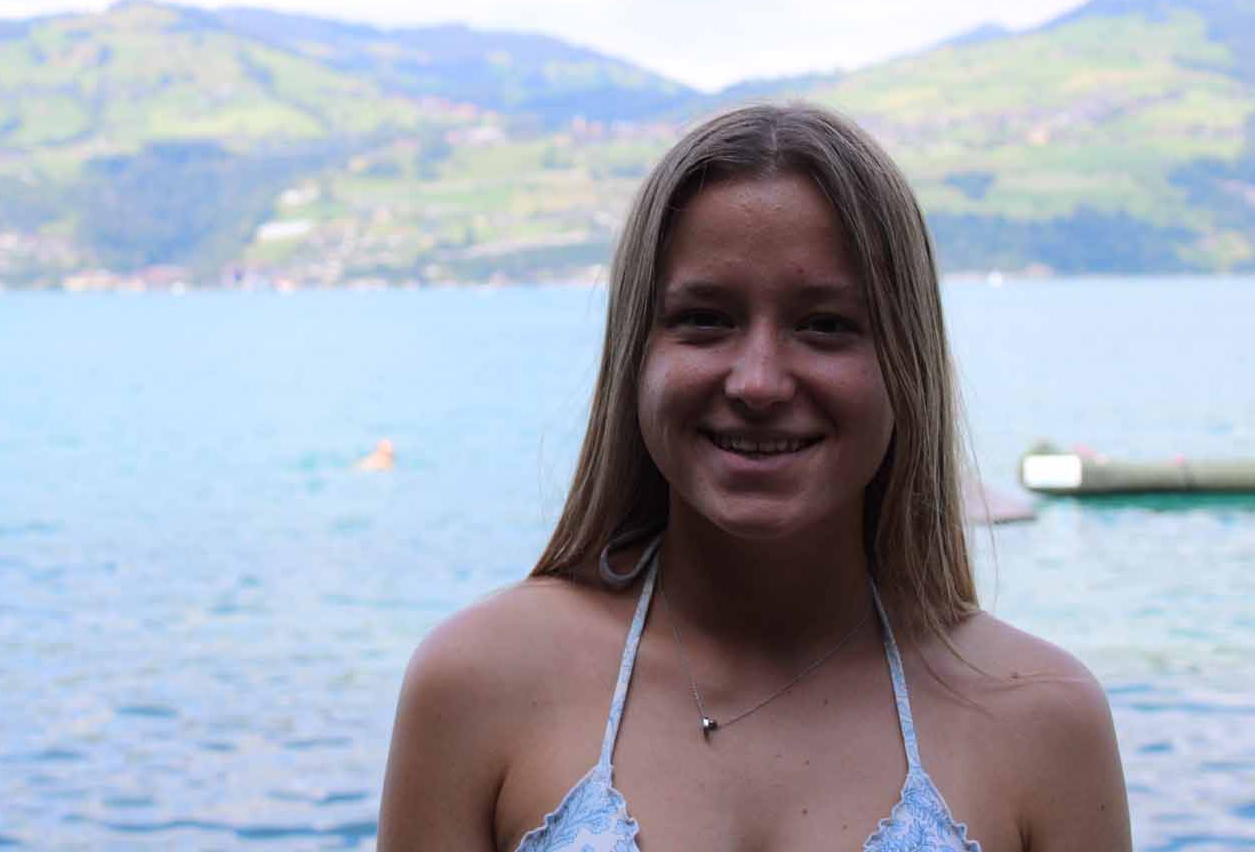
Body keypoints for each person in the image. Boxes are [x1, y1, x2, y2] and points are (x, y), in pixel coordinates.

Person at [377, 104, 1131, 852]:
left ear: (907, 364)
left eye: (825, 324)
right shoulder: (479, 684)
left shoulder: (1043, 720)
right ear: (635, 356)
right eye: (705, 318)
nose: (759, 382)